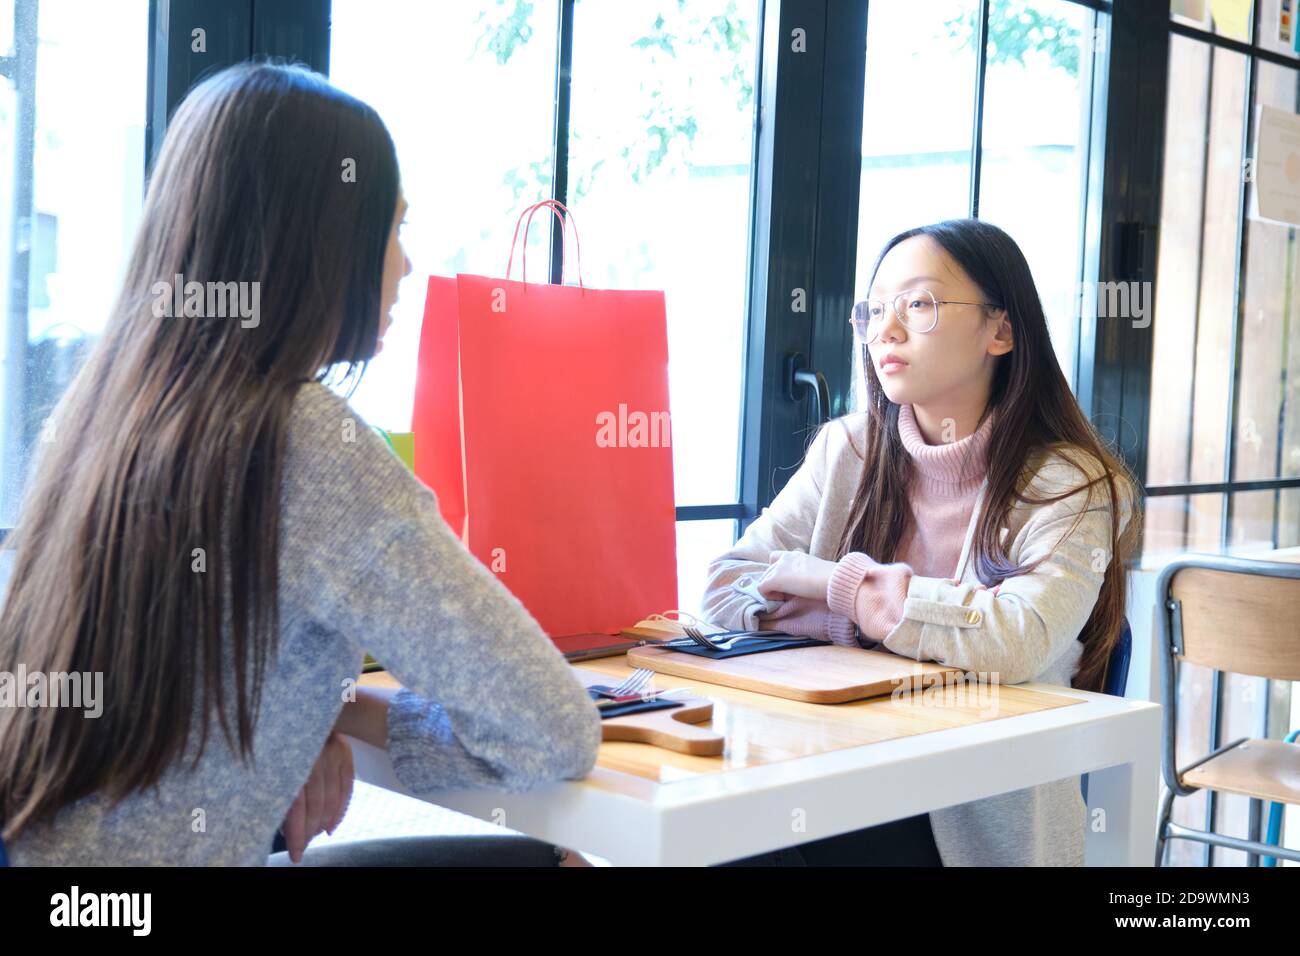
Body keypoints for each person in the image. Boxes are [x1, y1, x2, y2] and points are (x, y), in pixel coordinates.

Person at [0, 62, 600, 867]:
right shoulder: (306, 443)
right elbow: (553, 730)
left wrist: (303, 717)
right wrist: (343, 713)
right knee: (557, 860)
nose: (406, 266)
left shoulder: (101, 411)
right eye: (392, 229)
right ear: (319, 244)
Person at [705, 218, 1140, 866]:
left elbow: (1016, 638)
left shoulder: (1070, 485)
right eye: (875, 310)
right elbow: (724, 583)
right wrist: (857, 616)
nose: (887, 328)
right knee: (715, 830)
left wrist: (832, 586)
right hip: (829, 764)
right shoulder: (848, 449)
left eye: (919, 304)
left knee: (739, 843)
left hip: (968, 813)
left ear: (1002, 329)